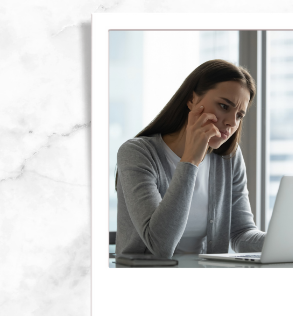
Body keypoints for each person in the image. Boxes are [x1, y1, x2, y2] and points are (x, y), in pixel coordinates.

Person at [114, 59, 266, 258]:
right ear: (192, 100)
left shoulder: (229, 158)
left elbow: (241, 233)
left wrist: (287, 241)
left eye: (239, 115)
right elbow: (160, 245)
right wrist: (190, 161)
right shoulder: (137, 153)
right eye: (223, 106)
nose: (231, 122)